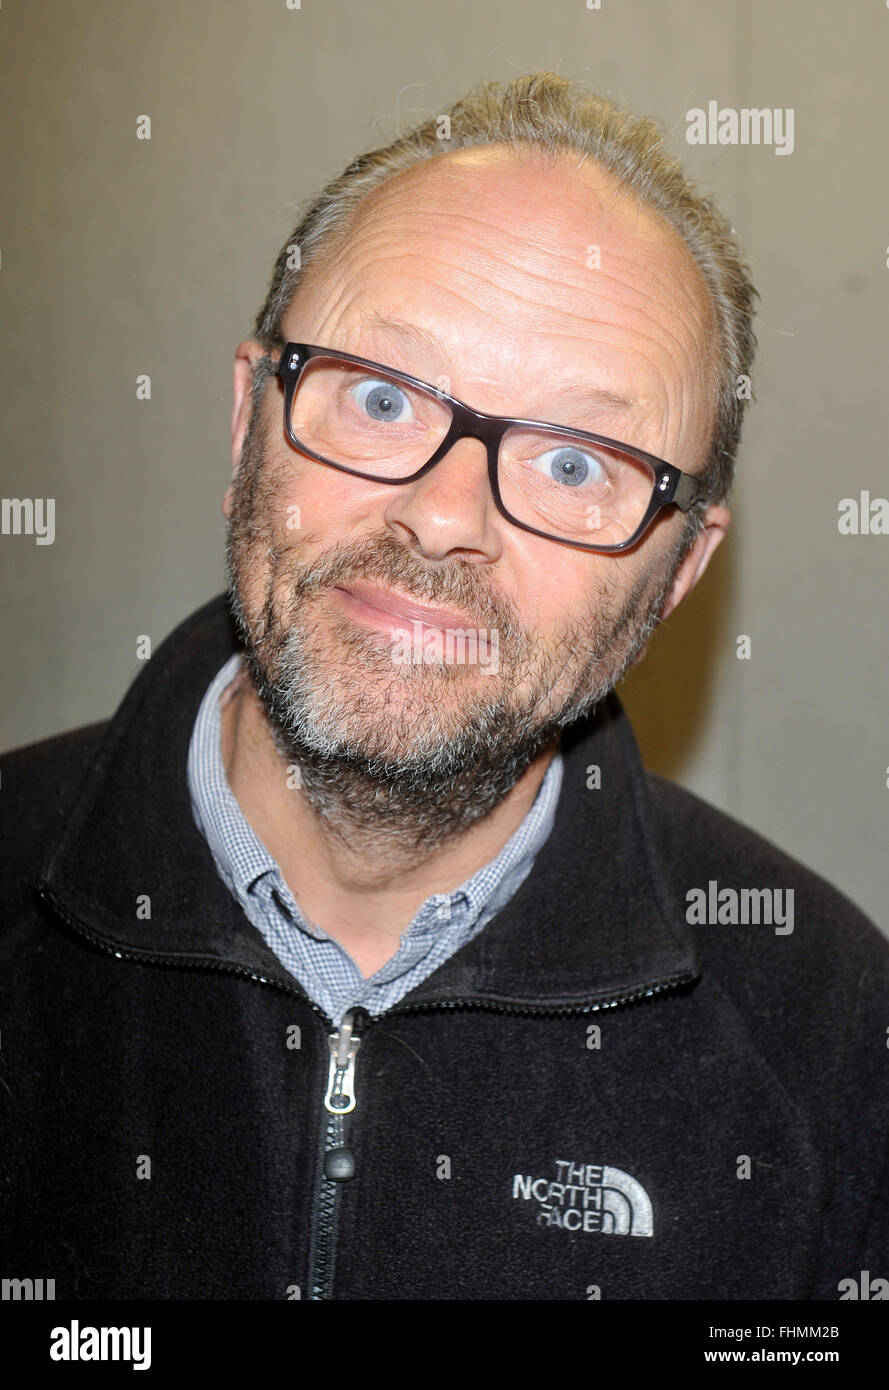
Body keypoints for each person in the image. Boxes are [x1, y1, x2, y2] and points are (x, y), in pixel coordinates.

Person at [1, 71, 886, 1302]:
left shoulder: (835, 1045)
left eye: (578, 459)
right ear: (249, 415)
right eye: (380, 396)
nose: (441, 516)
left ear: (677, 572)